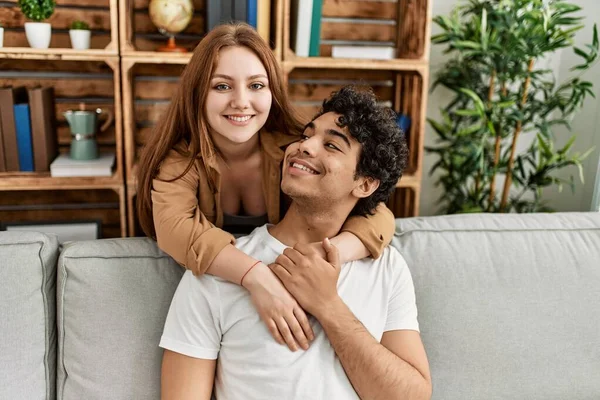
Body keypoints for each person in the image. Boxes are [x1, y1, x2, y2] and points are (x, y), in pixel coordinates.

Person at [136, 22, 397, 351]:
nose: (241, 102)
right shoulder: (180, 161)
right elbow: (174, 229)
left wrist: (330, 255)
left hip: (290, 279)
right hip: (214, 294)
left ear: (272, 91)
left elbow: (379, 214)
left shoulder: (295, 147)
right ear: (197, 93)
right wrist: (257, 278)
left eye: (256, 85)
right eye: (221, 87)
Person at [159, 86, 432, 400]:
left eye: (331, 144)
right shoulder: (217, 270)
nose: (304, 146)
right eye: (306, 136)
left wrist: (328, 306)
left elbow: (412, 396)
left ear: (365, 183)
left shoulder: (386, 267)